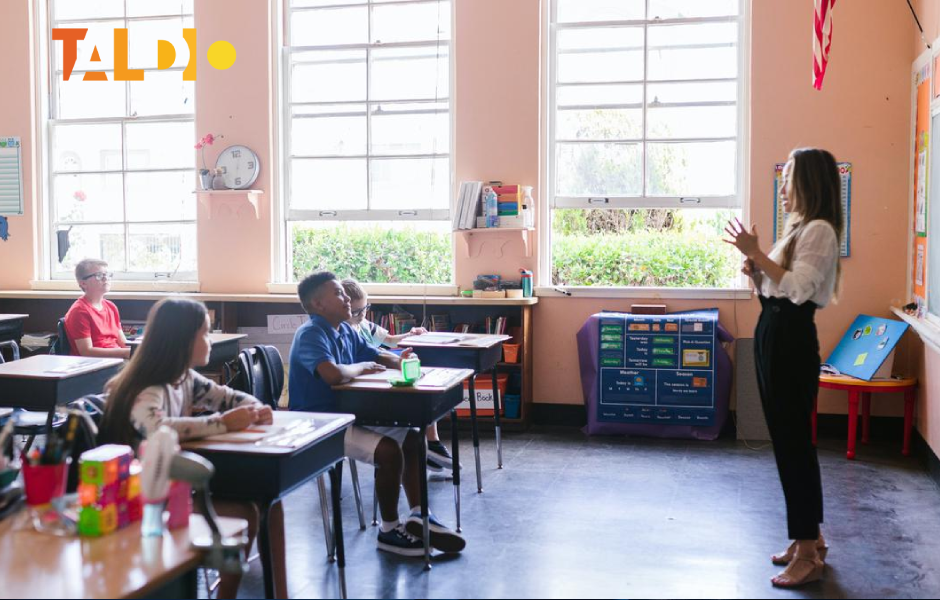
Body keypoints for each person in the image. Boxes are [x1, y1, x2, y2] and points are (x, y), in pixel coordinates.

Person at [98, 298, 285, 598]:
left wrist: (255, 409)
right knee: (246, 513)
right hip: (142, 496)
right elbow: (156, 427)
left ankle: (278, 592)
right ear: (183, 340)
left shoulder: (183, 378)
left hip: (174, 486)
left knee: (268, 502)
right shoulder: (148, 388)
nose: (210, 340)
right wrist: (222, 423)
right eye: (206, 333)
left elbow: (228, 398)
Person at [724, 148, 843, 588]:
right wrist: (755, 270)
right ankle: (808, 536)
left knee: (794, 444)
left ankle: (808, 553)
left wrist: (758, 254)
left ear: (808, 182)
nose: (783, 188)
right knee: (787, 441)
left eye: (789, 178)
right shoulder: (798, 229)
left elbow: (798, 289)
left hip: (791, 339)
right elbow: (775, 288)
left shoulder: (820, 231)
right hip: (774, 332)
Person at [289, 271, 465, 557]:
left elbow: (375, 354)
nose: (346, 298)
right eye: (338, 293)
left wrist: (401, 361)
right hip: (320, 424)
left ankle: (419, 515)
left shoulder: (345, 329)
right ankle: (389, 530)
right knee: (389, 452)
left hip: (348, 415)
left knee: (412, 437)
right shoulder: (311, 333)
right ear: (318, 304)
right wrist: (362, 368)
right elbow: (332, 374)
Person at [340, 278, 459, 472]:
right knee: (413, 396)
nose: (362, 315)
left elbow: (390, 340)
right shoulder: (343, 331)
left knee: (422, 383)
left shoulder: (364, 325)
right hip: (366, 383)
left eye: (365, 308)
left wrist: (410, 335)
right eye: (356, 311)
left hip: (379, 371)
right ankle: (425, 444)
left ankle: (431, 441)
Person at [64, 258, 130, 358]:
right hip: (95, 362)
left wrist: (141, 350)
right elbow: (87, 351)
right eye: (99, 275)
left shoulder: (111, 307)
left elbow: (123, 343)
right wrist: (125, 353)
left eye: (107, 274)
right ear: (83, 283)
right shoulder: (79, 311)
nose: (105, 278)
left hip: (117, 359)